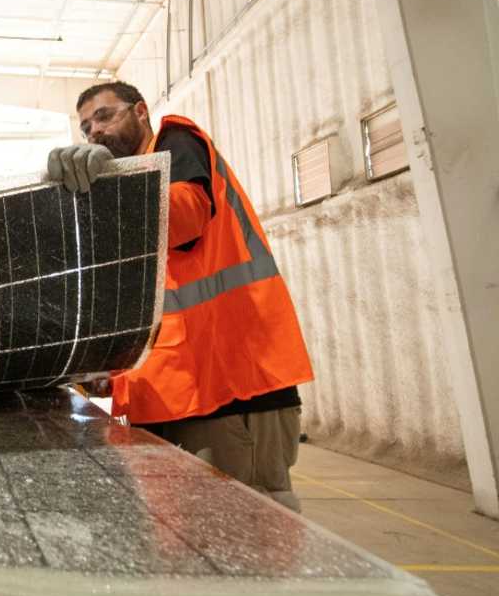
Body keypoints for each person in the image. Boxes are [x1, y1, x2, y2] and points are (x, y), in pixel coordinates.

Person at [47, 82, 313, 512]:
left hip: (230, 386)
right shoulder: (123, 205)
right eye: (84, 127)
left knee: (248, 523)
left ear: (140, 111)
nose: (94, 131)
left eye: (104, 116)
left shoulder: (175, 141)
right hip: (170, 392)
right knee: (185, 532)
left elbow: (185, 217)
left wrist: (113, 183)